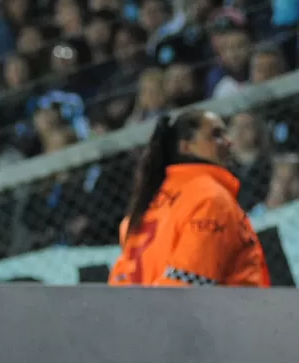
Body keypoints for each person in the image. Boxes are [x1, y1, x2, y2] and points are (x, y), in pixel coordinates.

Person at [108, 109, 269, 287]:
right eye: (216, 135)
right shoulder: (209, 199)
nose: (228, 141)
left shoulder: (147, 205)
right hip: (222, 313)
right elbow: (190, 286)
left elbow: (120, 285)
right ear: (185, 147)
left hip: (145, 312)